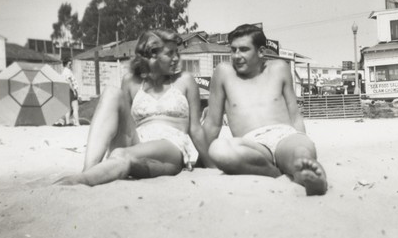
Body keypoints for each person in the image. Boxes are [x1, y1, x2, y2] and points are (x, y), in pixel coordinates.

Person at [56, 28, 212, 186]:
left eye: (176, 52)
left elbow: (195, 129)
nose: (176, 58)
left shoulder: (185, 80)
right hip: (137, 140)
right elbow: (122, 123)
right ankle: (88, 170)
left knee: (122, 154)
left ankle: (82, 180)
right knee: (111, 92)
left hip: (169, 145)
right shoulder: (131, 81)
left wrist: (211, 164)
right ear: (152, 55)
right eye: (170, 53)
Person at [202, 24, 327, 196]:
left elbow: (295, 115)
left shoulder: (279, 68)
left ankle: (310, 175)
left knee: (300, 153)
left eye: (244, 50)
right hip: (252, 144)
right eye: (233, 50)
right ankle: (273, 171)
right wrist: (203, 160)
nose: (236, 56)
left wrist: (302, 140)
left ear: (260, 52)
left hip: (285, 136)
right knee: (218, 150)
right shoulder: (224, 73)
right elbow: (212, 123)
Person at [62, 59, 80, 126]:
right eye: (69, 64)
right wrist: (74, 91)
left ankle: (67, 122)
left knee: (68, 107)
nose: (71, 65)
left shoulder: (63, 72)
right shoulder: (68, 72)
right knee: (75, 107)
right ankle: (77, 122)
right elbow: (69, 82)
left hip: (65, 90)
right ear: (66, 64)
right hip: (71, 90)